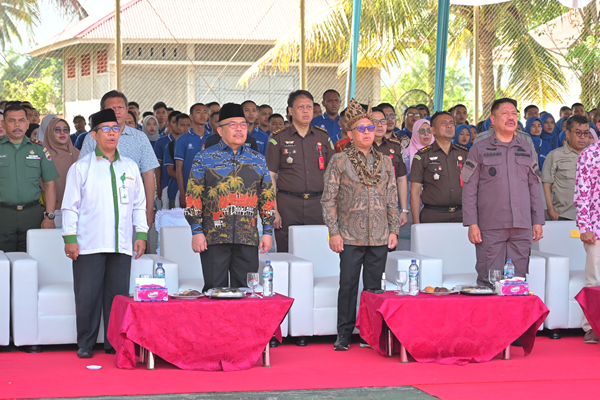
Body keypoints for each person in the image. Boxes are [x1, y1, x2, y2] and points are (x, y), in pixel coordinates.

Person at [62, 108, 148, 358]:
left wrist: (141, 233)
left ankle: (113, 343)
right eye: (106, 129)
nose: (112, 134)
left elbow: (139, 204)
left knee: (117, 297)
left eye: (116, 129)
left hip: (121, 244)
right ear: (94, 135)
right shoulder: (82, 167)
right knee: (87, 297)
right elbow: (70, 205)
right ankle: (86, 344)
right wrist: (70, 238)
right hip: (88, 244)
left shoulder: (130, 167)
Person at [321, 98, 399, 351]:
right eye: (362, 129)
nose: (367, 132)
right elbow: (328, 199)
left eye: (370, 128)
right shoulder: (339, 161)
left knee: (374, 288)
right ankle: (343, 334)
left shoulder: (386, 162)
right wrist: (334, 232)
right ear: (350, 133)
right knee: (348, 285)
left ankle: (370, 334)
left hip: (379, 233)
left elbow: (392, 197)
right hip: (349, 234)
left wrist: (394, 229)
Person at [185, 103, 275, 292]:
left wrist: (267, 231)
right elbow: (194, 196)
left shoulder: (257, 159)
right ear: (220, 130)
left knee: (246, 292)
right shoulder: (204, 158)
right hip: (214, 238)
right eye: (233, 125)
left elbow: (267, 196)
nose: (239, 129)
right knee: (213, 291)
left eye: (243, 125)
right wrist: (196, 230)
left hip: (247, 238)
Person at [462, 98, 544, 287]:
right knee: (489, 279)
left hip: (521, 225)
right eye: (505, 113)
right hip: (491, 226)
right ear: (493, 119)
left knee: (517, 281)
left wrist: (538, 220)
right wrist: (472, 223)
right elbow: (469, 189)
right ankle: (489, 317)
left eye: (514, 113)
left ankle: (515, 318)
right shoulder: (479, 149)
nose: (511, 117)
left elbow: (534, 186)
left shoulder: (526, 148)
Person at [266, 90, 334, 255]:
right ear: (290, 111)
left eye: (309, 107)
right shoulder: (278, 138)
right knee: (287, 252)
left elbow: (334, 173)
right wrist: (274, 210)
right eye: (301, 107)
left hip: (318, 205)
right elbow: (270, 176)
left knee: (318, 252)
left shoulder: (323, 137)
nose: (306, 111)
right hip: (288, 205)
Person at [79, 90, 159, 229]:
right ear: (102, 110)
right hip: (99, 209)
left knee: (133, 248)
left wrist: (149, 208)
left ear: (127, 109)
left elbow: (148, 175)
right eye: (112, 108)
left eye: (120, 108)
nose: (117, 112)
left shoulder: (140, 138)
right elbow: (83, 174)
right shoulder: (92, 137)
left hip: (133, 210)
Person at [0, 104, 58, 253]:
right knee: (3, 264)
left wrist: (50, 217)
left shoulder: (39, 149)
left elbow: (50, 185)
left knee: (33, 259)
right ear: (4, 124)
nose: (17, 124)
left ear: (27, 123)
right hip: (3, 215)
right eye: (12, 120)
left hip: (32, 214)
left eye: (21, 120)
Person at [410, 112, 469, 224]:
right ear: (433, 130)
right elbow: (415, 192)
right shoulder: (422, 156)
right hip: (433, 215)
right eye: (443, 123)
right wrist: (416, 224)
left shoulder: (465, 154)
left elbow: (473, 186)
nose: (449, 125)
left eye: (451, 123)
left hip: (461, 215)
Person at [574, 120, 600, 343]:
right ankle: (591, 327)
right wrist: (585, 227)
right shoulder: (590, 154)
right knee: (595, 280)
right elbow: (582, 193)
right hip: (597, 228)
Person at [542, 115, 589, 221]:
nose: (582, 137)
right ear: (568, 133)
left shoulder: (595, 155)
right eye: (578, 133)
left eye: (586, 133)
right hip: (565, 215)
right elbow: (547, 184)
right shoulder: (555, 155)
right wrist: (551, 211)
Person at [371, 107, 409, 227]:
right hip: (362, 208)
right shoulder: (355, 147)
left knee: (388, 244)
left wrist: (403, 210)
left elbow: (401, 179)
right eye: (375, 122)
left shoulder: (395, 147)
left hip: (389, 208)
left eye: (383, 121)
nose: (380, 125)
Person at [44, 118, 79, 227]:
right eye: (57, 130)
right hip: (51, 212)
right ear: (50, 132)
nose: (62, 133)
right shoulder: (44, 155)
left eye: (66, 129)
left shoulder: (77, 153)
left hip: (76, 211)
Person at [174, 103, 211, 208]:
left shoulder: (214, 139)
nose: (202, 115)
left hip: (210, 191)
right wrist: (182, 194)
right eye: (198, 112)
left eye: (205, 112)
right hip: (189, 190)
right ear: (191, 117)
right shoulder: (182, 140)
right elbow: (179, 169)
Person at [163, 113, 192, 208]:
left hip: (194, 190)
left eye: (188, 125)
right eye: (182, 125)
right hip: (175, 190)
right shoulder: (171, 146)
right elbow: (170, 171)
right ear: (177, 127)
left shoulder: (198, 143)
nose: (186, 128)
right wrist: (185, 180)